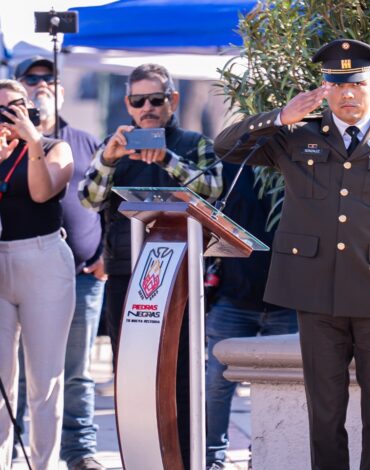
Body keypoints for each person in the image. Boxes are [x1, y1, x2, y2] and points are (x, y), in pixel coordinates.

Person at [214, 39, 370, 469]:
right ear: (324, 88)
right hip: (317, 296)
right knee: (324, 416)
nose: (348, 94)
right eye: (337, 85)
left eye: (356, 83)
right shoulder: (295, 136)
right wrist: (279, 117)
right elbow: (225, 148)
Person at [78, 63, 222, 467]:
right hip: (126, 278)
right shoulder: (114, 145)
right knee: (132, 378)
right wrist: (108, 158)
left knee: (181, 377)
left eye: (155, 99)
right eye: (138, 101)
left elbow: (214, 189)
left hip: (181, 280)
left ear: (172, 100)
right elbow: (87, 200)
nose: (147, 108)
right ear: (128, 104)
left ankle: (188, 459)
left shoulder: (193, 143)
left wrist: (169, 161)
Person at [13, 55, 106, 470]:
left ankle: (75, 453)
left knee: (68, 373)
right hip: (11, 267)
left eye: (47, 79)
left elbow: (104, 200)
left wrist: (105, 257)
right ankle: (11, 451)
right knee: (12, 374)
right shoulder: (4, 146)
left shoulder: (79, 141)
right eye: (29, 80)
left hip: (75, 271)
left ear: (61, 91)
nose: (39, 85)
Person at [0, 79, 75, 469]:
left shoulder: (53, 147)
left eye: (14, 107)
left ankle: (41, 464)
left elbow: (42, 192)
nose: (8, 117)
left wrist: (31, 143)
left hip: (43, 260)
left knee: (44, 380)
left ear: (29, 108)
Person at [204, 162, 298, 469]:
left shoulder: (298, 166)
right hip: (234, 300)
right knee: (217, 384)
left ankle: (265, 458)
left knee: (282, 389)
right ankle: (211, 459)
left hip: (288, 303)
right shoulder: (231, 168)